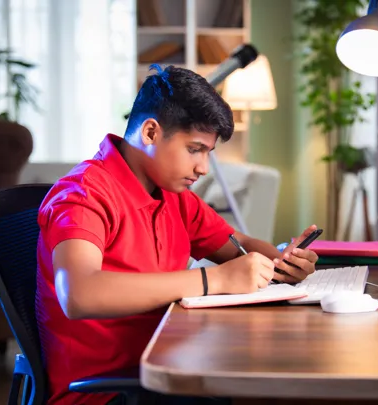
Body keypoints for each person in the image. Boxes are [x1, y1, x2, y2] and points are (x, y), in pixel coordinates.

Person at [36, 64, 319, 405]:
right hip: (108, 391)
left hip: (171, 362)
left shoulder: (173, 195)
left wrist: (282, 259)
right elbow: (79, 293)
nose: (202, 167)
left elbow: (238, 246)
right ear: (151, 133)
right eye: (194, 149)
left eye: (207, 154)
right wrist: (210, 280)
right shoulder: (83, 194)